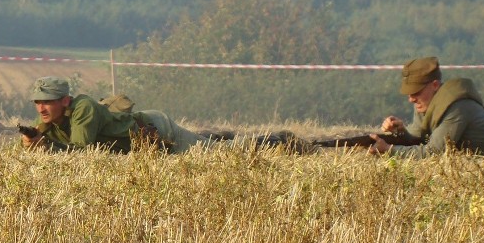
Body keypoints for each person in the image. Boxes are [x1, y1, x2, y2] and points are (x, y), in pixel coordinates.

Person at [20, 76, 297, 154]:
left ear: (65, 100)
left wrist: (47, 148)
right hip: (142, 144)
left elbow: (82, 151)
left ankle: (276, 141)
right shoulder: (47, 121)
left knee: (221, 154)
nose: (42, 108)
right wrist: (31, 145)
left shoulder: (83, 109)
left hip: (156, 130)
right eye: (38, 103)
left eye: (48, 102)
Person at [369, 56, 484, 158]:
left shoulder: (457, 107)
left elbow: (433, 153)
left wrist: (389, 150)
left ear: (435, 85)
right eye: (410, 93)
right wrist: (401, 132)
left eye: (416, 92)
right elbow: (420, 139)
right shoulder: (425, 101)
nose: (411, 99)